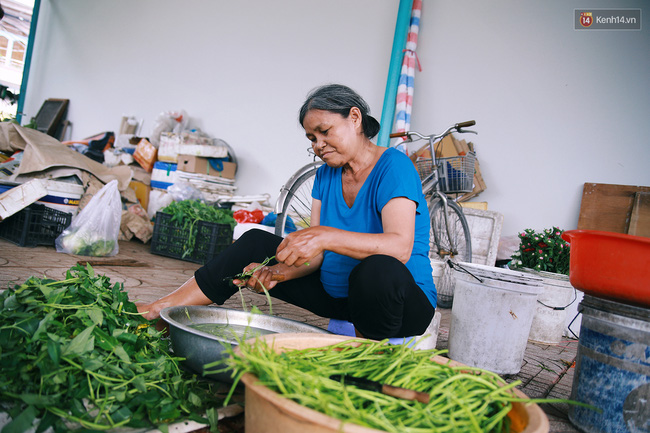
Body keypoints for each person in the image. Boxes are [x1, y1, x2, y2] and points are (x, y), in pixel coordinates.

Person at [138, 84, 436, 340]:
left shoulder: (393, 166)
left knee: (376, 268)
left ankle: (368, 365)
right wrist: (277, 272)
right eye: (311, 138)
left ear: (355, 118)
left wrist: (324, 236)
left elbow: (400, 247)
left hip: (399, 305)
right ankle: (161, 313)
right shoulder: (326, 175)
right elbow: (316, 256)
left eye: (324, 132)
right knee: (256, 243)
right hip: (339, 299)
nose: (319, 145)